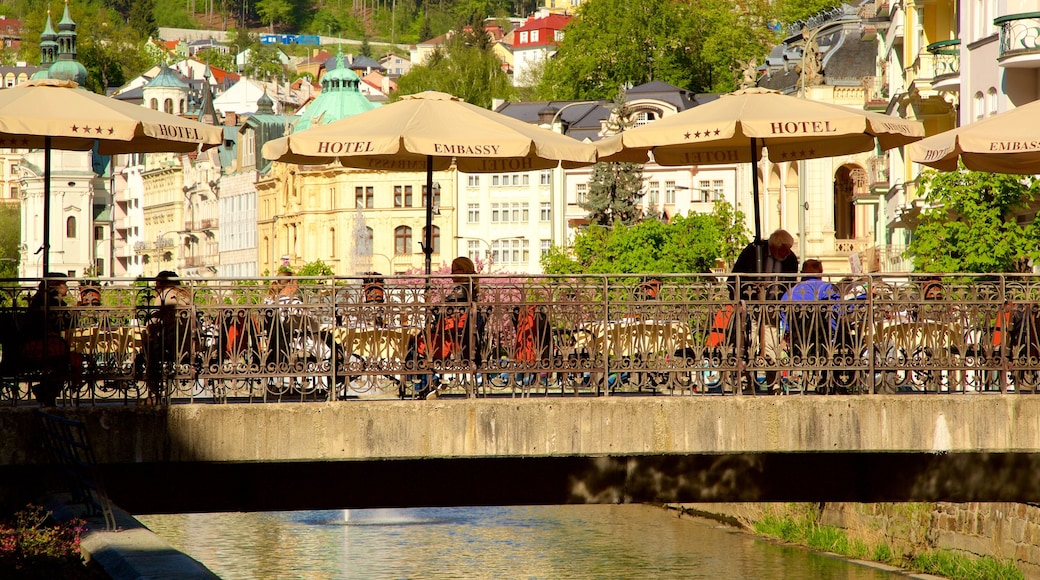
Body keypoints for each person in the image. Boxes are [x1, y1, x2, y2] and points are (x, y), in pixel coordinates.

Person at [727, 230, 800, 390]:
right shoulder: (753, 252)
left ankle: (773, 384)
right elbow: (734, 279)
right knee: (749, 346)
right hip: (750, 308)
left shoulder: (791, 259)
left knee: (771, 346)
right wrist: (739, 302)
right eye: (785, 249)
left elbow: (791, 285)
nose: (788, 252)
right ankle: (749, 383)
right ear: (775, 246)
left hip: (773, 309)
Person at [780, 260, 844, 393]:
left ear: (802, 273)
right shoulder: (827, 289)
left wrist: (788, 334)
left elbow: (783, 315)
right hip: (826, 343)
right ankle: (832, 381)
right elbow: (839, 312)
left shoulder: (790, 293)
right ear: (820, 273)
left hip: (800, 344)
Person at [23, 273, 79, 406]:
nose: (66, 288)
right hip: (42, 346)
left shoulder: (44, 299)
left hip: (40, 344)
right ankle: (47, 391)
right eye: (64, 284)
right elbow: (68, 322)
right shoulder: (52, 301)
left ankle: (47, 391)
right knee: (67, 361)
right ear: (56, 286)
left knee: (65, 361)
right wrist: (77, 311)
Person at [142, 271, 192, 404]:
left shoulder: (163, 296)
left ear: (162, 283)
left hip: (170, 346)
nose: (155, 286)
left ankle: (154, 394)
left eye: (157, 283)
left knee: (147, 352)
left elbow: (152, 323)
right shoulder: (186, 296)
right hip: (189, 347)